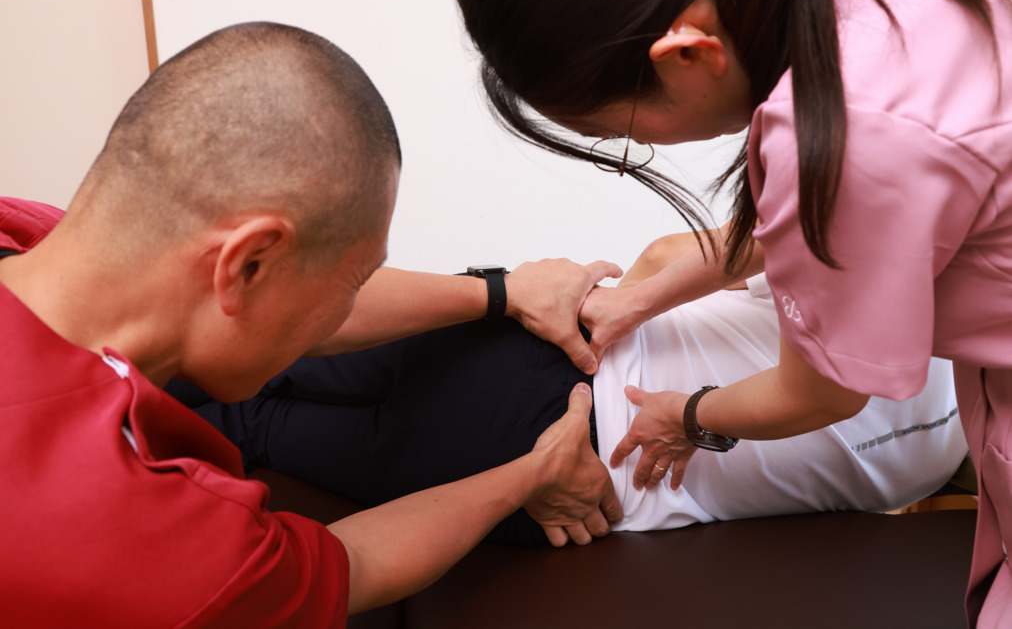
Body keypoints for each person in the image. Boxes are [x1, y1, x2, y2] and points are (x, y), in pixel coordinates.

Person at [0, 21, 624, 627]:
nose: (349, 304)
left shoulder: (37, 237)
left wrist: (505, 292)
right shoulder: (142, 537)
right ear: (245, 264)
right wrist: (535, 473)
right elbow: (354, 564)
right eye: (352, 284)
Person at [452, 0, 1012, 624]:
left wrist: (687, 416)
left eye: (619, 136)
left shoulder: (846, 133)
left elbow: (824, 389)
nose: (632, 147)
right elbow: (825, 223)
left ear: (687, 52)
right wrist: (639, 298)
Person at [177, 238, 967, 545]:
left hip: (558, 399)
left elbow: (704, 250)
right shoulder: (925, 460)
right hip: (578, 449)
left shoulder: (928, 402)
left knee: (259, 358)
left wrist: (634, 307)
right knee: (257, 416)